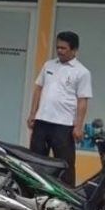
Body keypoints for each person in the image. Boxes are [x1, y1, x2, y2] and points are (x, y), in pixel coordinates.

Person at [26, 31, 92, 185]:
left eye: (64, 48)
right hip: (42, 121)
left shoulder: (82, 72)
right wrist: (32, 114)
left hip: (63, 125)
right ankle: (31, 197)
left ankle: (66, 202)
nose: (60, 51)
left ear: (74, 50)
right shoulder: (48, 65)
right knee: (35, 162)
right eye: (58, 48)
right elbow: (38, 89)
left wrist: (79, 126)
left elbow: (82, 101)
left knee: (64, 165)